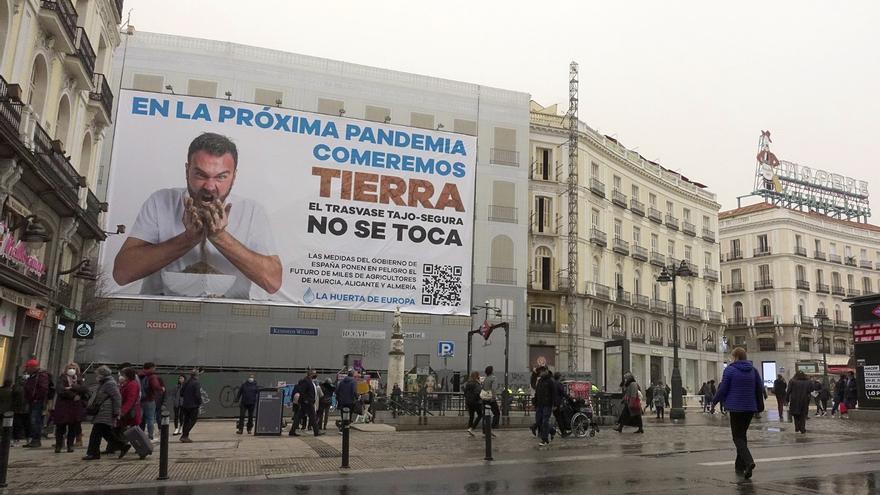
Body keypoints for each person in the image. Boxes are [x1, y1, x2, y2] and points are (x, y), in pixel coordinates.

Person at [113, 132, 282, 298]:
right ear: (187, 170)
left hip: (228, 314)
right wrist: (188, 238)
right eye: (201, 175)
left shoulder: (252, 211)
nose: (209, 186)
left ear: (234, 176)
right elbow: (122, 273)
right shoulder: (161, 201)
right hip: (162, 311)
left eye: (221, 177)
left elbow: (272, 282)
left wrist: (220, 237)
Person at [712, 347, 763, 479]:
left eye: (732, 356)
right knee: (742, 435)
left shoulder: (730, 370)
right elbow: (760, 388)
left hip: (735, 408)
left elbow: (723, 389)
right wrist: (759, 404)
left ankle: (748, 461)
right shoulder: (753, 370)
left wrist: (714, 402)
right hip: (750, 408)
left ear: (736, 357)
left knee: (737, 437)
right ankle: (740, 465)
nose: (731, 358)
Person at [83, 366, 125, 460]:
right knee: (106, 433)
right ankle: (122, 446)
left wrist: (116, 412)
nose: (96, 376)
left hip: (105, 412)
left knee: (96, 433)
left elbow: (117, 397)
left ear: (102, 374)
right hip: (102, 411)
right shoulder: (104, 383)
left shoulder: (110, 383)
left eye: (98, 374)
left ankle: (93, 453)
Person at [52, 363, 88, 453]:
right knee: (60, 427)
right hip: (63, 405)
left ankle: (70, 445)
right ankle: (58, 445)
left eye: (73, 368)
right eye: (70, 368)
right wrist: (73, 395)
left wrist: (73, 387)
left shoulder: (79, 379)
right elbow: (60, 390)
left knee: (72, 427)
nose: (71, 369)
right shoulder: (62, 378)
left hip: (75, 407)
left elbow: (84, 389)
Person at [22, 359, 52, 448]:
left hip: (37, 401)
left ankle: (36, 439)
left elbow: (43, 389)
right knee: (32, 420)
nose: (26, 369)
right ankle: (33, 439)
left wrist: (36, 398)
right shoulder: (32, 376)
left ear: (32, 367)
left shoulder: (41, 376)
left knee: (35, 420)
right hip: (32, 401)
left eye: (27, 367)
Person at [138, 362, 165, 442]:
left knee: (140, 419)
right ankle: (150, 436)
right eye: (154, 368)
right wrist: (161, 389)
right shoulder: (152, 376)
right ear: (151, 368)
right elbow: (155, 386)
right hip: (149, 400)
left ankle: (139, 435)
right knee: (150, 419)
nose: (155, 369)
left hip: (139, 400)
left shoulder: (139, 375)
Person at [289, 370, 322, 436]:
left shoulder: (309, 381)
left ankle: (292, 431)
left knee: (298, 417)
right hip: (307, 403)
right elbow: (302, 391)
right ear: (311, 374)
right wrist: (305, 400)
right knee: (312, 417)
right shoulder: (306, 381)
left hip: (308, 402)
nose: (316, 375)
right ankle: (316, 432)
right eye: (314, 373)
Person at [534, 368, 558, 446]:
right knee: (539, 421)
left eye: (542, 371)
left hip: (547, 404)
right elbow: (537, 392)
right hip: (539, 404)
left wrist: (554, 404)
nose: (540, 373)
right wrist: (535, 402)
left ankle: (544, 439)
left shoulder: (550, 381)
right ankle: (552, 430)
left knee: (545, 421)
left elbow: (554, 393)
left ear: (546, 371)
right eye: (539, 372)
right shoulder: (540, 381)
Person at [179, 369, 203, 442]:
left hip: (185, 405)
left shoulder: (186, 382)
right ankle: (185, 435)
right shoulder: (196, 383)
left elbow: (181, 393)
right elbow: (197, 394)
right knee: (193, 420)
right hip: (193, 405)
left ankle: (184, 435)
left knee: (186, 420)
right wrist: (199, 402)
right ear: (196, 376)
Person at [463, 371, 483, 436]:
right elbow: (478, 392)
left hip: (469, 402)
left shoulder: (468, 383)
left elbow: (465, 392)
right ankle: (472, 428)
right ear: (477, 376)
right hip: (476, 402)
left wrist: (468, 399)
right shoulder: (476, 383)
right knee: (480, 415)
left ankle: (469, 429)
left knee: (471, 416)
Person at [10, 374, 29, 444]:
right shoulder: (18, 388)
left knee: (21, 424)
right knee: (19, 424)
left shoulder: (17, 387)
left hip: (22, 408)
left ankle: (18, 438)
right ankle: (18, 438)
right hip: (21, 408)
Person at [482, 366, 500, 435]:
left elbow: (483, 388)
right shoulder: (493, 378)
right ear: (492, 371)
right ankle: (492, 427)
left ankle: (485, 430)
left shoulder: (485, 379)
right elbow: (493, 389)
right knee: (497, 413)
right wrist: (493, 397)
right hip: (490, 398)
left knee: (485, 414)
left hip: (485, 398)